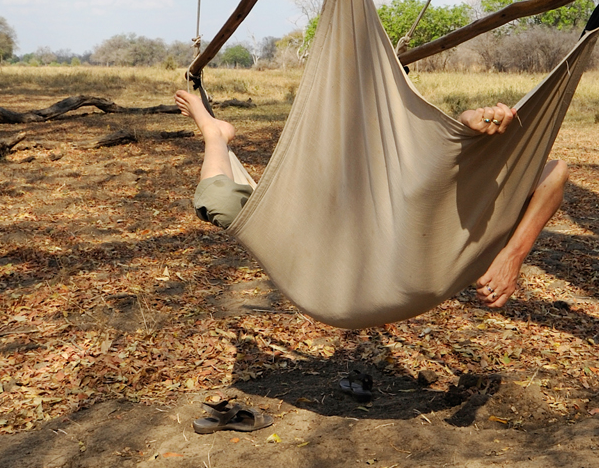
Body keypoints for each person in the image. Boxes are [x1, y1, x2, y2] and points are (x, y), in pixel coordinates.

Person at [174, 89, 567, 308]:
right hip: (327, 254)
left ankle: (216, 137)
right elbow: (433, 160)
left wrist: (513, 256)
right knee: (220, 203)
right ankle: (215, 135)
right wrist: (465, 127)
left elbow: (555, 172)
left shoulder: (476, 224)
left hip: (367, 262)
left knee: (220, 200)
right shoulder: (422, 184)